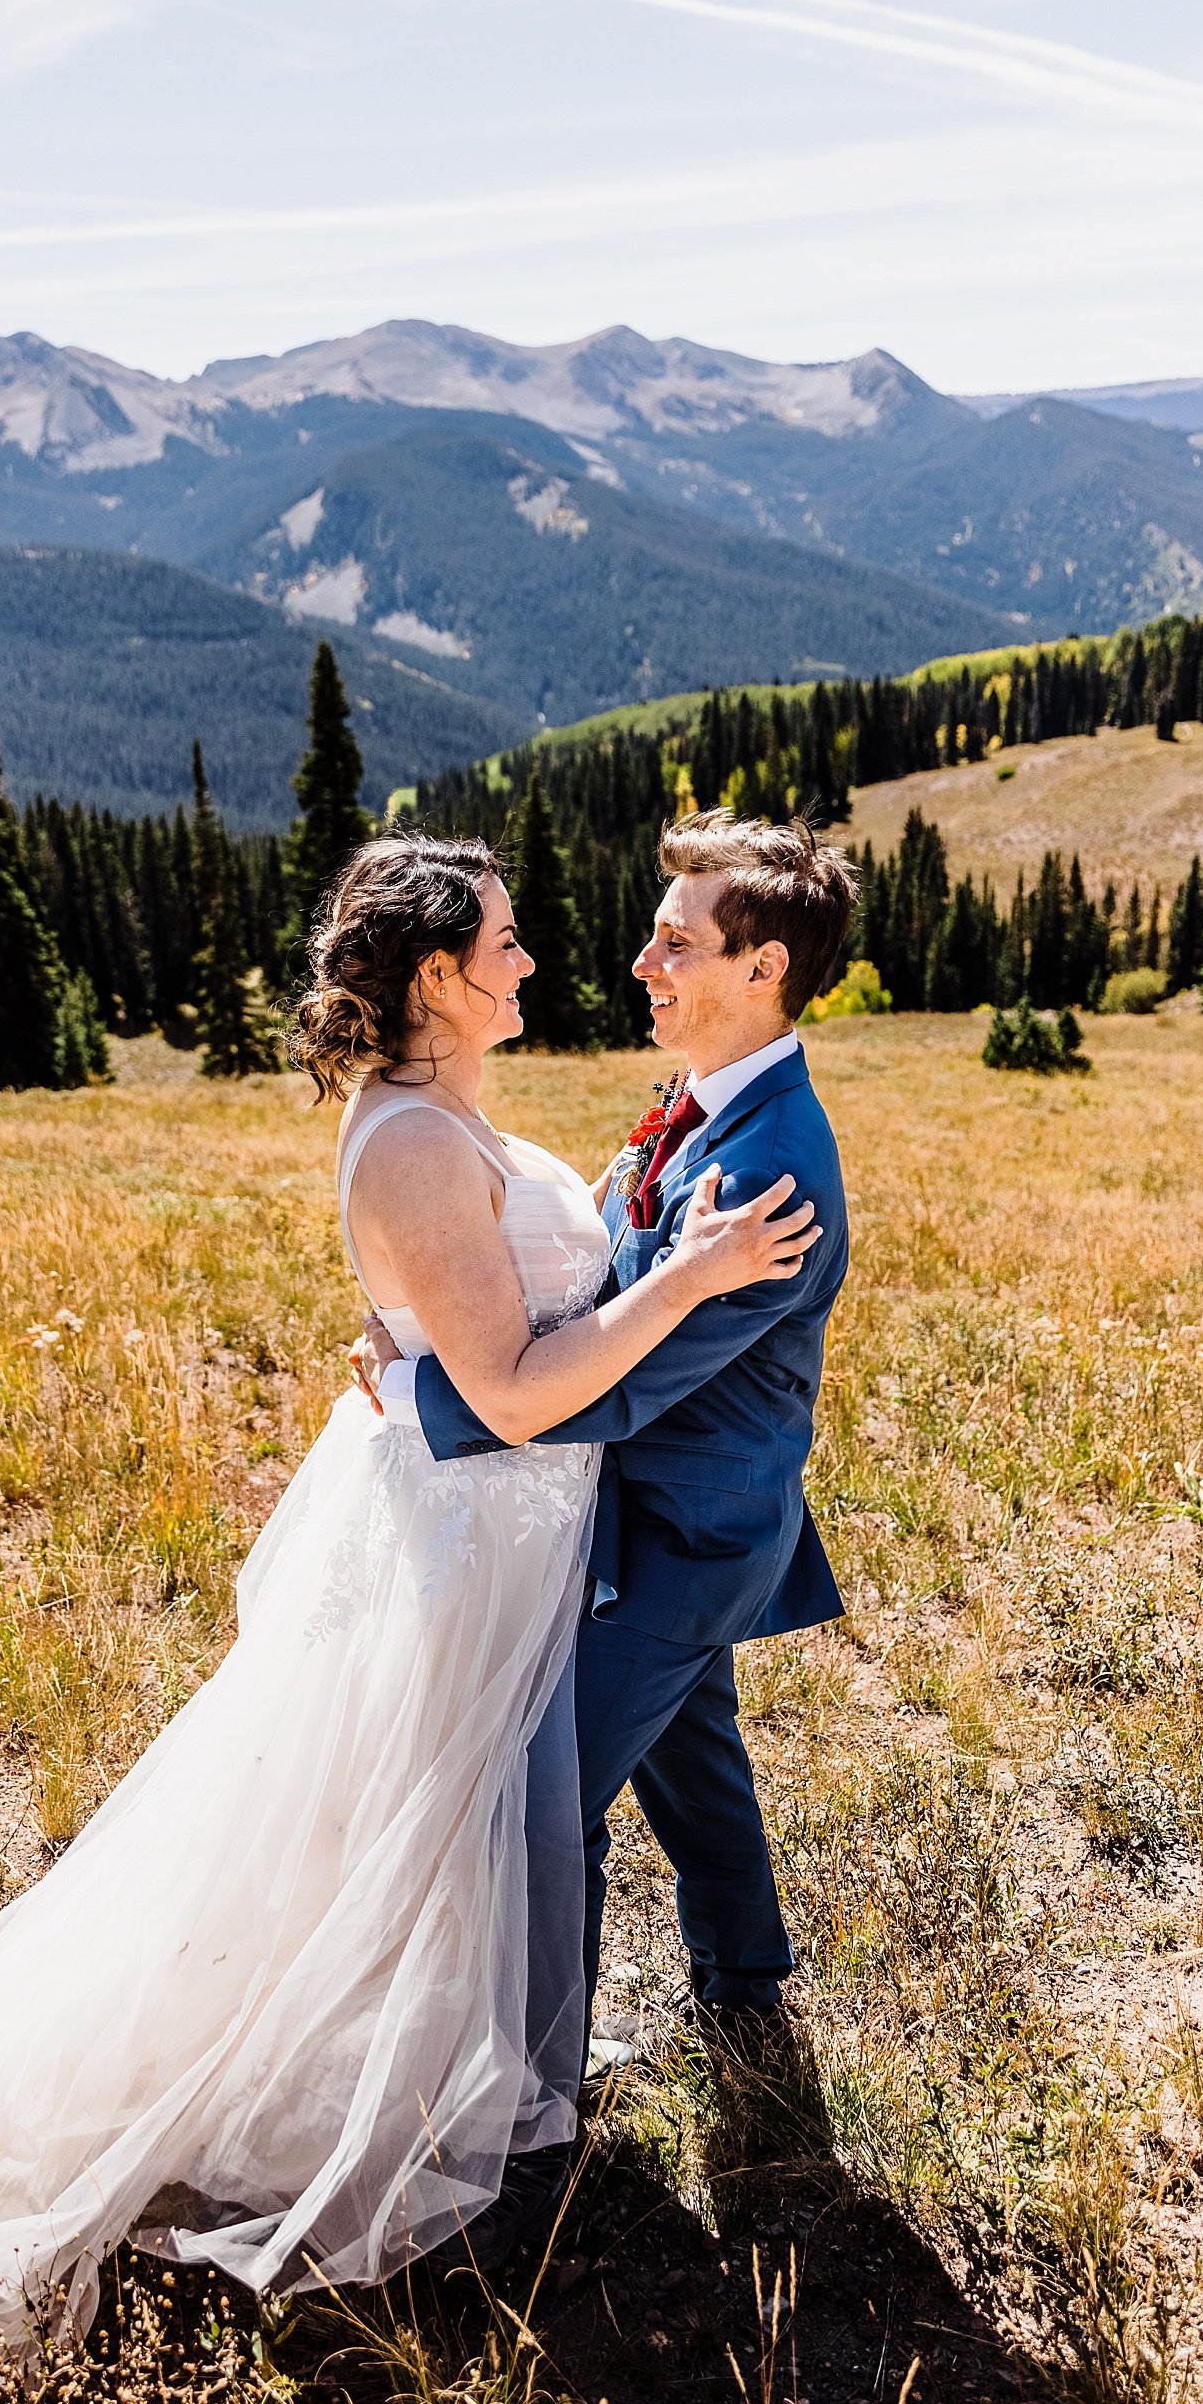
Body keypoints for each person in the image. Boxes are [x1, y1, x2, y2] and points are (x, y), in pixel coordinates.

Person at [0, 834, 816, 2376]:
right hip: (481, 1528)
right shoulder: (420, 1142)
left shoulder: (447, 1112)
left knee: (462, 1826)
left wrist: (424, 1352)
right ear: (433, 972)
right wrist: (651, 1292)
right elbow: (509, 1388)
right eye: (502, 942)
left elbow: (492, 1322)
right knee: (475, 1822)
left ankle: (545, 2059)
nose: (533, 962)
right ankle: (489, 2125)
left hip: (529, 1531)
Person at [357, 809, 857, 2266]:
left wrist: (419, 1390)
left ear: (761, 967)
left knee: (545, 1785)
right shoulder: (703, 1094)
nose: (641, 958)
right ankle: (747, 1987)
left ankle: (536, 2106)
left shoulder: (777, 1172)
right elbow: (618, 1274)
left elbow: (631, 1378)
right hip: (645, 1516)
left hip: (691, 1531)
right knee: (696, 1751)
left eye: (677, 941)